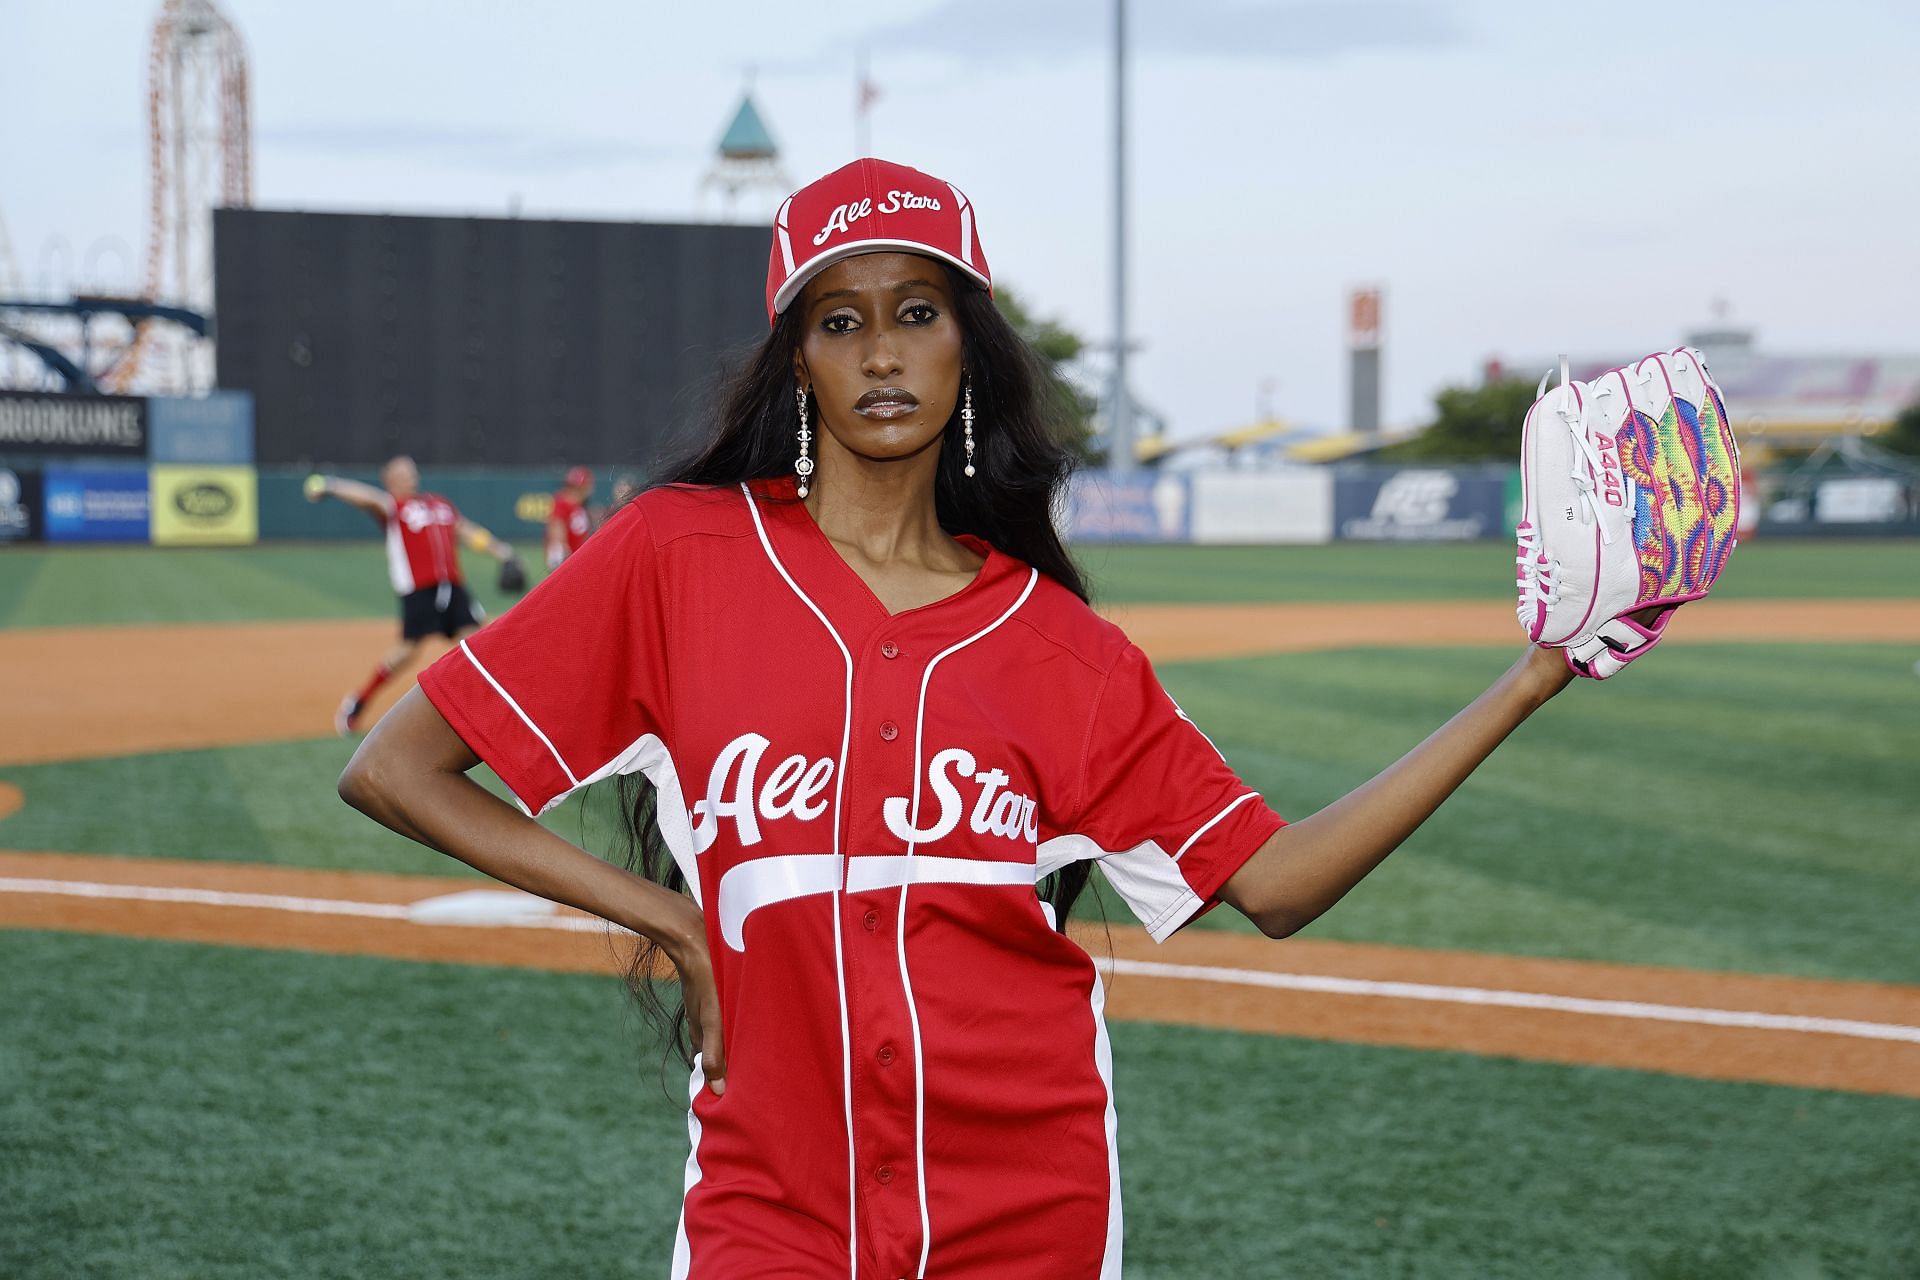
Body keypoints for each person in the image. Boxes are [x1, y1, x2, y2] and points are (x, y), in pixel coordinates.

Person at [338, 158, 1577, 1279]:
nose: (882, 354)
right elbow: (397, 769)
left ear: (968, 352)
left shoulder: (1061, 648)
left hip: (1028, 1210)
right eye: (841, 321)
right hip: (767, 1204)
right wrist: (671, 916)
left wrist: (1535, 673)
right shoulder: (680, 556)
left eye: (917, 315)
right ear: (800, 362)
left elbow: (1280, 881)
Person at [305, 455, 520, 735]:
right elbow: (368, 498)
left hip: (453, 587)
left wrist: (501, 551)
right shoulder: (395, 507)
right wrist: (331, 486)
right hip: (420, 591)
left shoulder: (439, 503)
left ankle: (494, 713)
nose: (411, 476)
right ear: (389, 480)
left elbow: (465, 530)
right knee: (406, 652)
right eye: (403, 473)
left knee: (476, 644)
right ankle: (358, 702)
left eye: (412, 471)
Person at [546, 465, 594, 568]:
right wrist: (561, 548)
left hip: (578, 558)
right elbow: (557, 525)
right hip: (568, 559)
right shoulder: (562, 502)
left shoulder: (580, 505)